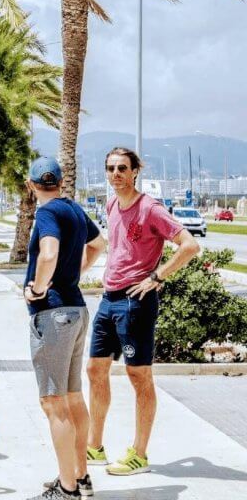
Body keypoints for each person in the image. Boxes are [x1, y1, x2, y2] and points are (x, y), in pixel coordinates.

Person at [86, 147, 200, 476]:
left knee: (140, 377)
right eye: (110, 168)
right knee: (95, 371)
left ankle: (139, 454)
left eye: (123, 168)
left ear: (136, 171)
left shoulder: (151, 208)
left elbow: (190, 245)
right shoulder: (110, 204)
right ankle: (95, 446)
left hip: (135, 302)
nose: (116, 174)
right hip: (109, 299)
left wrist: (156, 277)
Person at [22, 157, 107, 500]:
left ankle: (67, 487)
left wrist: (41, 287)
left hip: (53, 314)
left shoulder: (45, 213)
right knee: (73, 398)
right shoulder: (72, 209)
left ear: (30, 186)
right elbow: (100, 244)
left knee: (52, 402)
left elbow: (48, 253)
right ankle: (80, 476)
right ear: (60, 182)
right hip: (76, 309)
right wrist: (76, 275)